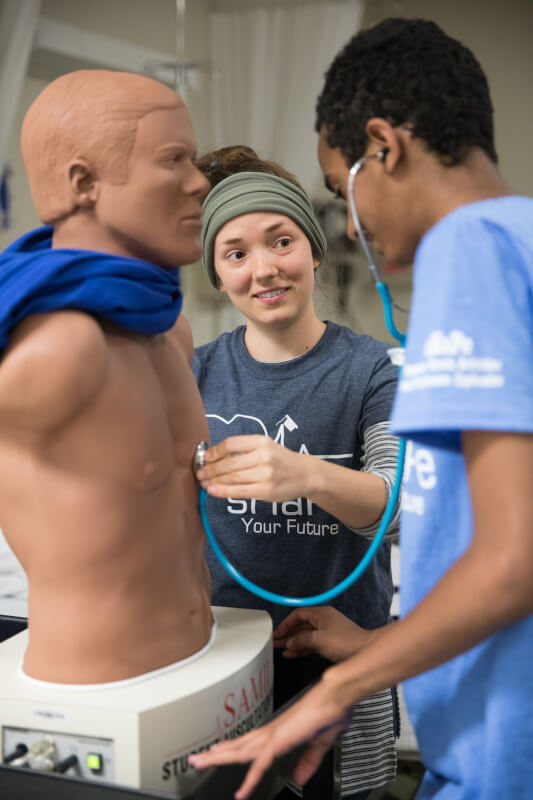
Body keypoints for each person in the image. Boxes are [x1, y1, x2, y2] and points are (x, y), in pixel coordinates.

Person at [189, 17, 533, 800]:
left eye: (341, 187)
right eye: (233, 253)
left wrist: (348, 680)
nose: (351, 224)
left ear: (385, 146)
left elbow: (510, 559)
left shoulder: (469, 249)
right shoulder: (518, 237)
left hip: (500, 752)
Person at [191, 145, 402, 798]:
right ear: (218, 275)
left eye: (280, 241)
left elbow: (395, 511)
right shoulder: (189, 374)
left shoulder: (374, 369)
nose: (263, 270)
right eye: (236, 254)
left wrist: (306, 475)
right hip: (224, 668)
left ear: (313, 250)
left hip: (341, 660)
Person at [0, 70, 214, 684]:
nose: (200, 182)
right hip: (98, 678)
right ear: (83, 183)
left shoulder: (169, 330)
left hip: (200, 656)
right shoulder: (64, 347)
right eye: (173, 160)